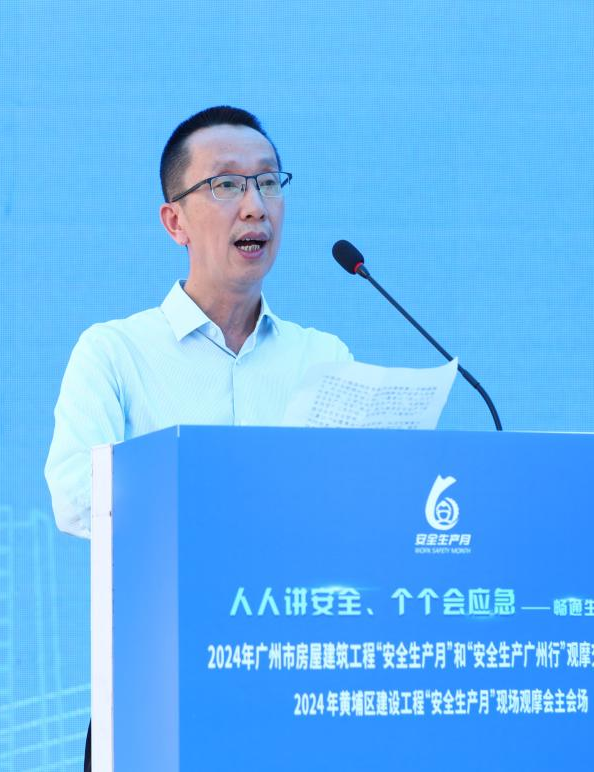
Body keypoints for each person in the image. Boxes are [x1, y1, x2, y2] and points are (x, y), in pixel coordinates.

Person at [43, 105, 352, 769]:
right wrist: (221, 498)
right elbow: (74, 493)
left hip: (295, 689)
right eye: (226, 185)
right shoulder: (114, 352)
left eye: (267, 182)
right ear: (174, 221)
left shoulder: (323, 357)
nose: (255, 206)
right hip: (158, 690)